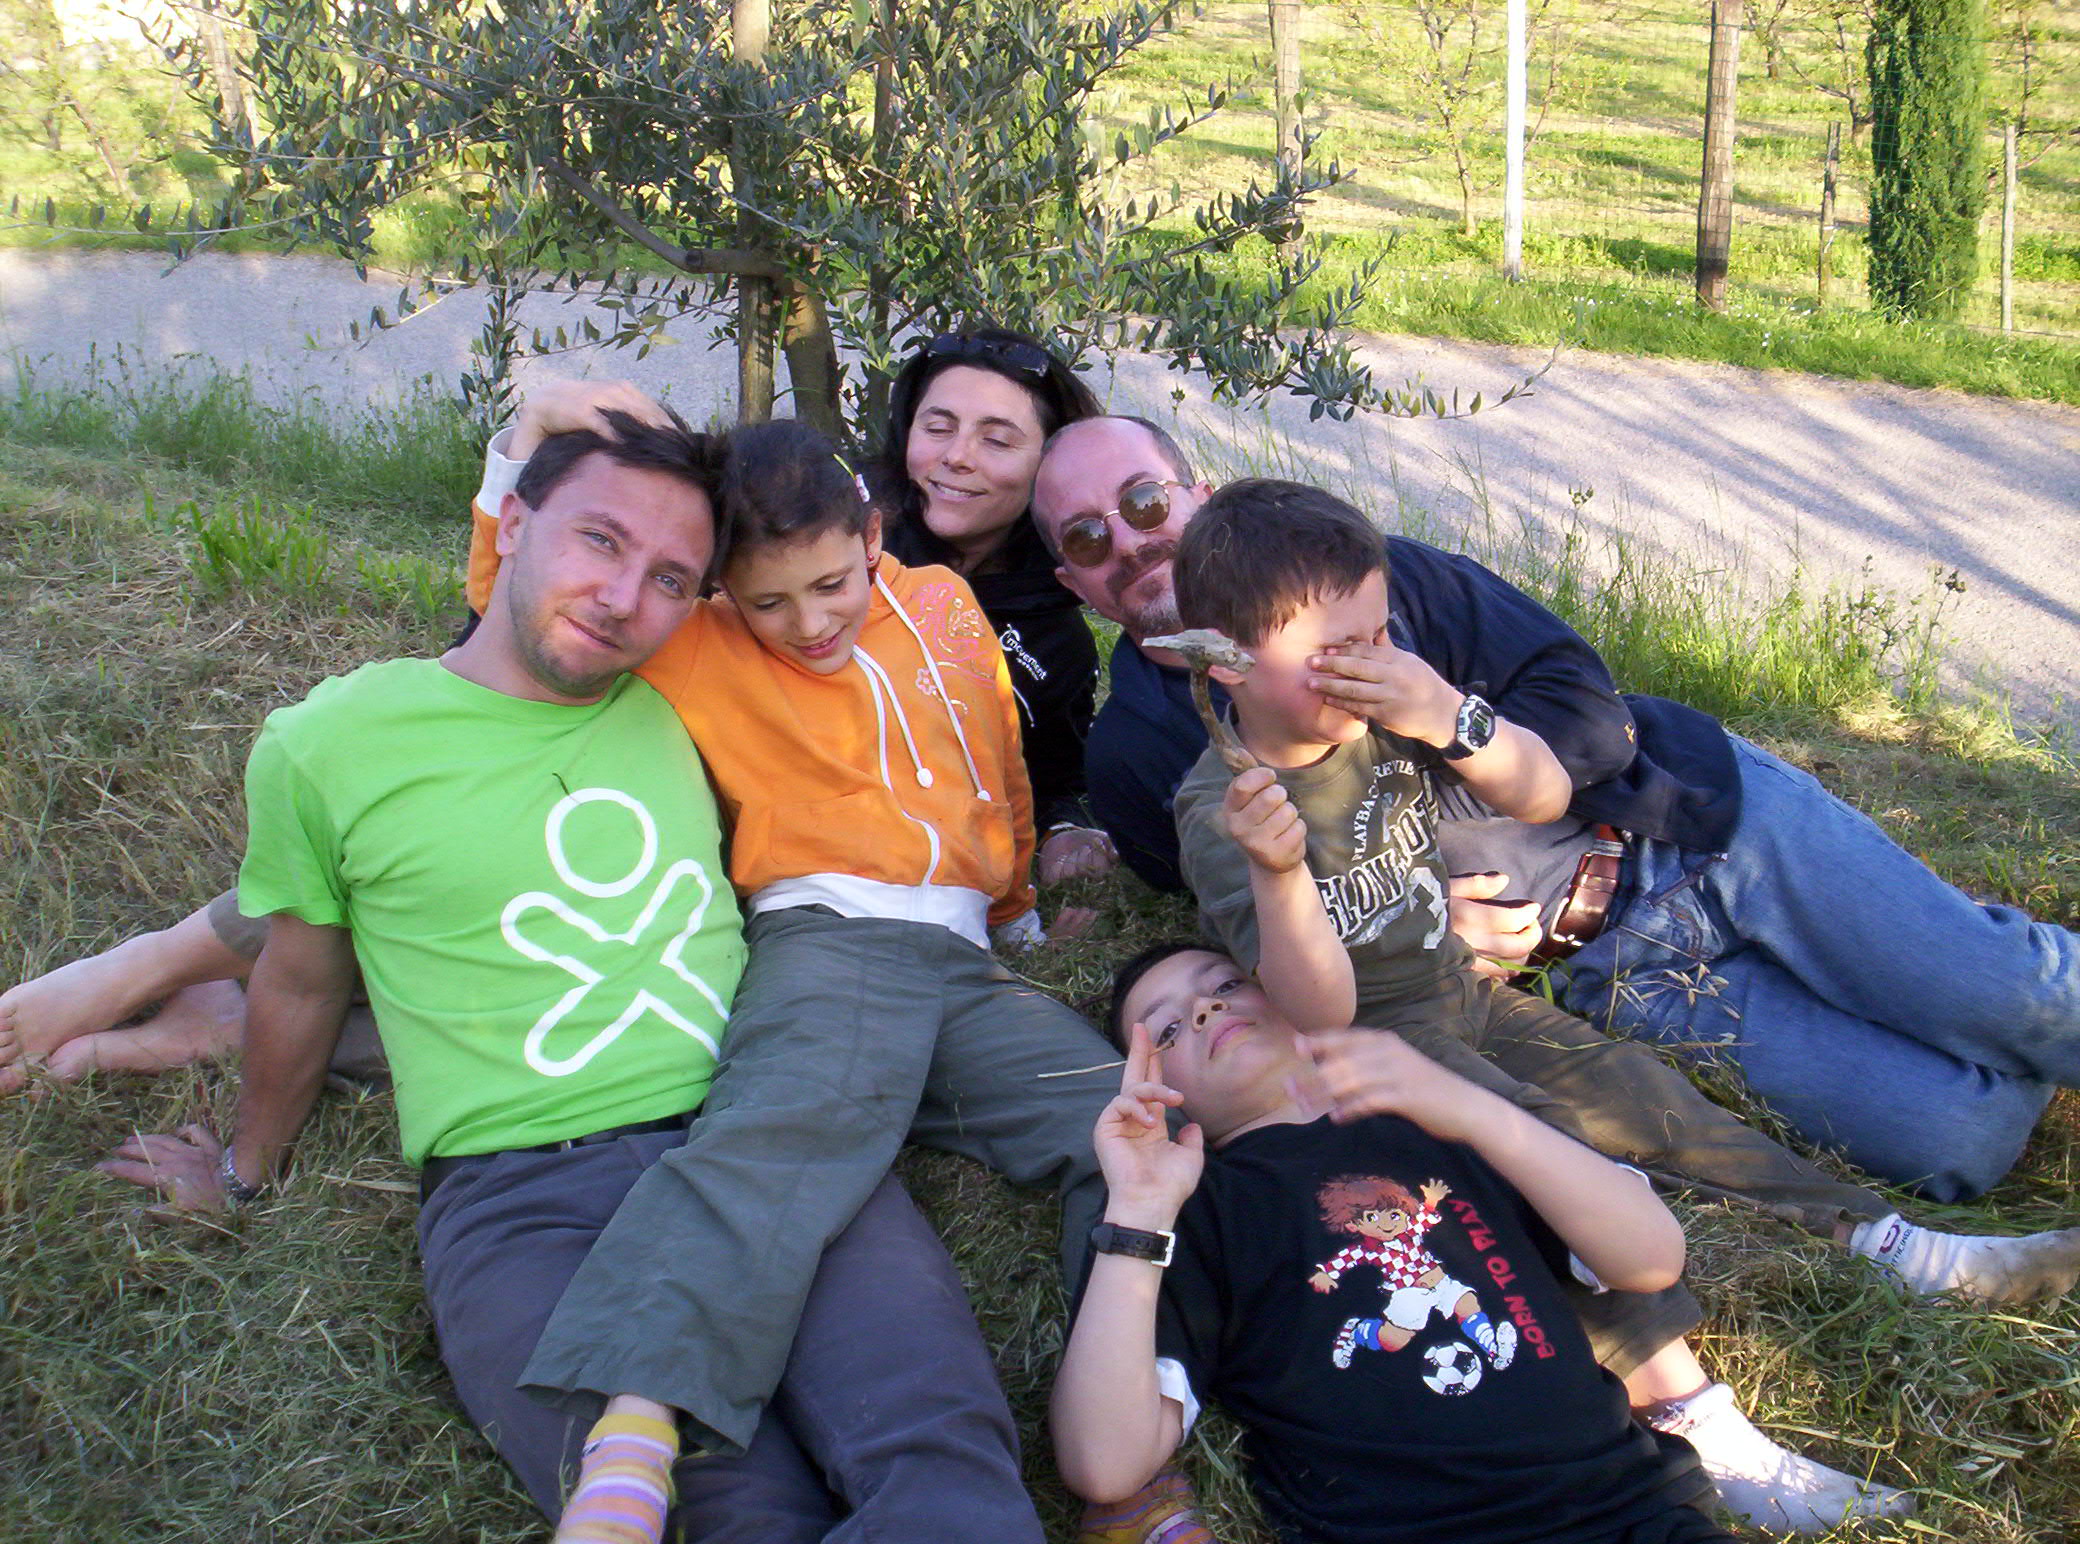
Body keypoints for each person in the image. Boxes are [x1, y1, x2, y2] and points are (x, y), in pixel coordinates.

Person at [98, 409, 1046, 1541]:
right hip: (522, 1196)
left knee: (943, 1463)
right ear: (513, 520)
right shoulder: (329, 741)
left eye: (670, 577)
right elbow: (300, 978)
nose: (623, 597)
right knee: (718, 1515)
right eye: (600, 540)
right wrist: (246, 1171)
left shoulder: (685, 699)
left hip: (758, 1132)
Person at [1028, 414, 2076, 1202]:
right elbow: (1254, 931)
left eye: (1145, 501)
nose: (1129, 540)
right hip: (1610, 971)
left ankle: (1970, 981)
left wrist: (1451, 716)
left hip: (1686, 830)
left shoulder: (1369, 583)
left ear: (1197, 493)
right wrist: (1414, 927)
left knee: (2020, 1001)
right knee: (1957, 1138)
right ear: (1074, 582)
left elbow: (1592, 715)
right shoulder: (1137, 759)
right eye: (1085, 535)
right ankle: (1937, 1002)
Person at [458, 395, 1124, 1541]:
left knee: (1119, 1126)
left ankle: (1132, 1419)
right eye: (768, 600)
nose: (808, 621)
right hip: (832, 936)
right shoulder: (702, 642)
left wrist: (1013, 911)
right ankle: (633, 1431)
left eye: (829, 585)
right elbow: (508, 604)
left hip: (963, 958)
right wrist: (516, 450)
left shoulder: (942, 602)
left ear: (870, 535)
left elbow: (995, 764)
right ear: (725, 587)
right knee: (783, 1135)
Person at [1055, 943, 1781, 1544]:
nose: (1205, 1009)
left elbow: (1651, 1260)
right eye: (1167, 1030)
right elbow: (1104, 1463)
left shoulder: (1431, 1119)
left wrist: (1466, 1108)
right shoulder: (1191, 1207)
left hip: (1628, 1510)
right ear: (1156, 1086)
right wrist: (1138, 1209)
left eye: (1224, 984)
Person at [873, 326, 1120, 885]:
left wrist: (1065, 830)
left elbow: (1056, 777)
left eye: (998, 441)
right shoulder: (841, 546)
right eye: (937, 428)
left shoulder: (1056, 640)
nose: (956, 456)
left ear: (1049, 468)